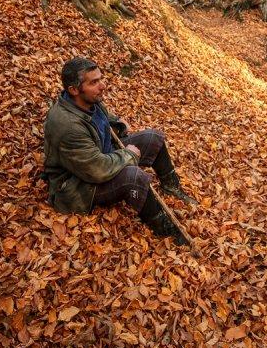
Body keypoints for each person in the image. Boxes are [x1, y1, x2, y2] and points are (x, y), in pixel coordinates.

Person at [42, 57, 197, 245]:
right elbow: (97, 169)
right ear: (73, 90)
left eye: (101, 79)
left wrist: (118, 124)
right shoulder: (67, 125)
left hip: (101, 154)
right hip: (77, 185)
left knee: (153, 138)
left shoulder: (89, 99)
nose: (102, 86)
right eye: (94, 82)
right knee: (134, 176)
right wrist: (129, 155)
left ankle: (172, 187)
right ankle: (166, 230)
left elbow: (104, 119)